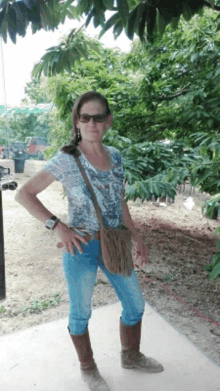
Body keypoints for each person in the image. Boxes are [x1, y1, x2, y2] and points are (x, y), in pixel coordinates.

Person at [15, 91, 163, 391]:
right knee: (81, 312)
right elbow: (24, 194)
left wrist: (136, 237)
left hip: (115, 244)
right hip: (80, 247)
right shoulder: (66, 159)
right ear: (77, 122)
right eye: (85, 117)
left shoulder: (115, 156)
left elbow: (119, 201)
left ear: (107, 121)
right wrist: (58, 227)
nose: (92, 123)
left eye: (98, 117)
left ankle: (130, 356)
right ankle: (88, 367)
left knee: (135, 304)